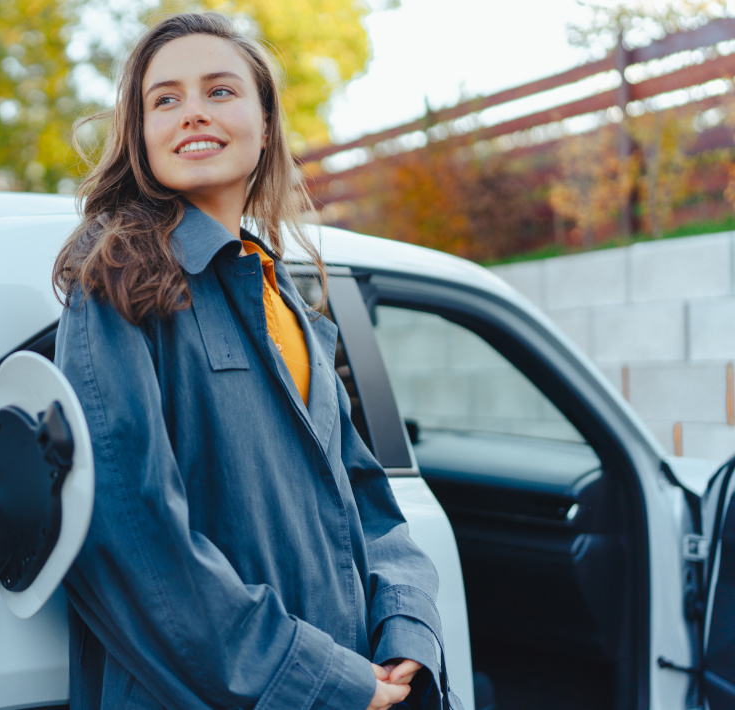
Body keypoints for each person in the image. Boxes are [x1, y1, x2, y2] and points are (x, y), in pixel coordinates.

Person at [51, 12, 460, 710]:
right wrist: (317, 677)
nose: (192, 114)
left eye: (219, 91)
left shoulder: (285, 299)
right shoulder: (117, 276)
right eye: (165, 99)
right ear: (141, 133)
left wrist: (404, 630)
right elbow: (129, 534)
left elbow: (367, 501)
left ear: (266, 124)